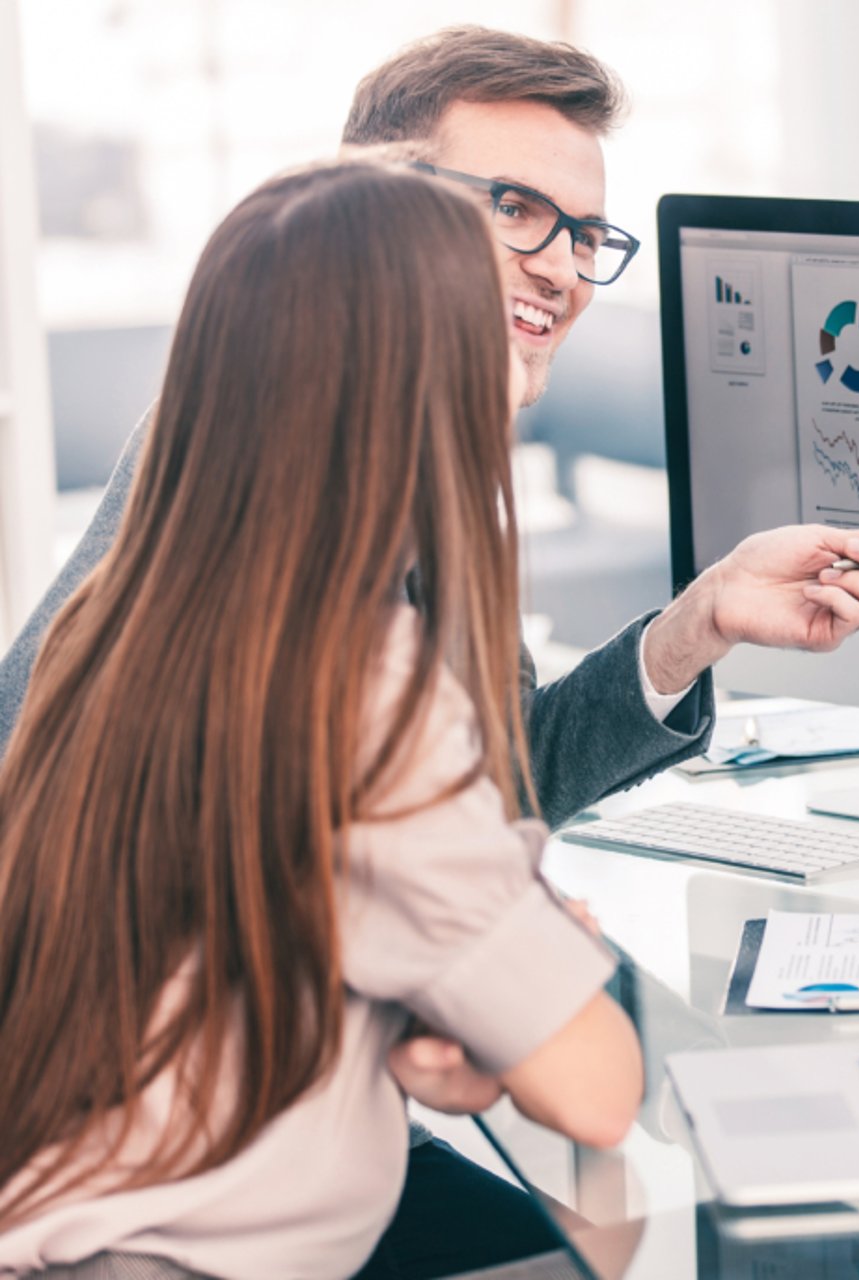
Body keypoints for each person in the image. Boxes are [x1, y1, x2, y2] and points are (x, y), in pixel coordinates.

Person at [0, 27, 859, 1276]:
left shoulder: (382, 480)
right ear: (372, 201)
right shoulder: (265, 501)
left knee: (763, 1229)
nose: (563, 268)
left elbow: (456, 782)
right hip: (179, 1194)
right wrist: (502, 938)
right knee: (800, 1236)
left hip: (253, 1143)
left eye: (585, 235)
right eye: (513, 209)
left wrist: (696, 624)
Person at [0, 159, 651, 1276]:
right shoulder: (360, 693)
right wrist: (550, 948)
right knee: (668, 1245)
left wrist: (433, 1027)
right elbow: (596, 1090)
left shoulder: (113, 620)